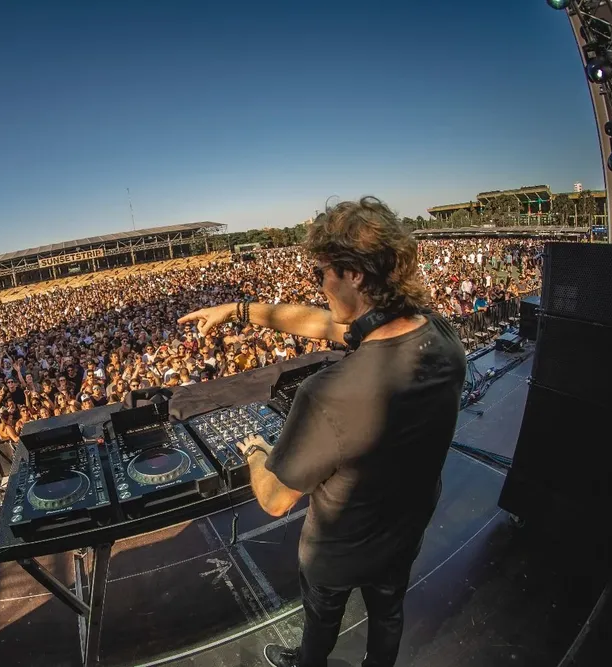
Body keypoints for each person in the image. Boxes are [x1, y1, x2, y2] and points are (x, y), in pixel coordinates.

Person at [179, 197, 466, 667]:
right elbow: (320, 322)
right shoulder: (440, 331)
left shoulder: (327, 393)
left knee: (321, 623)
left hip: (340, 549)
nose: (319, 286)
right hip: (408, 525)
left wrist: (256, 451)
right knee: (388, 610)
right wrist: (238, 309)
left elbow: (274, 499)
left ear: (353, 274)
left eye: (321, 274)